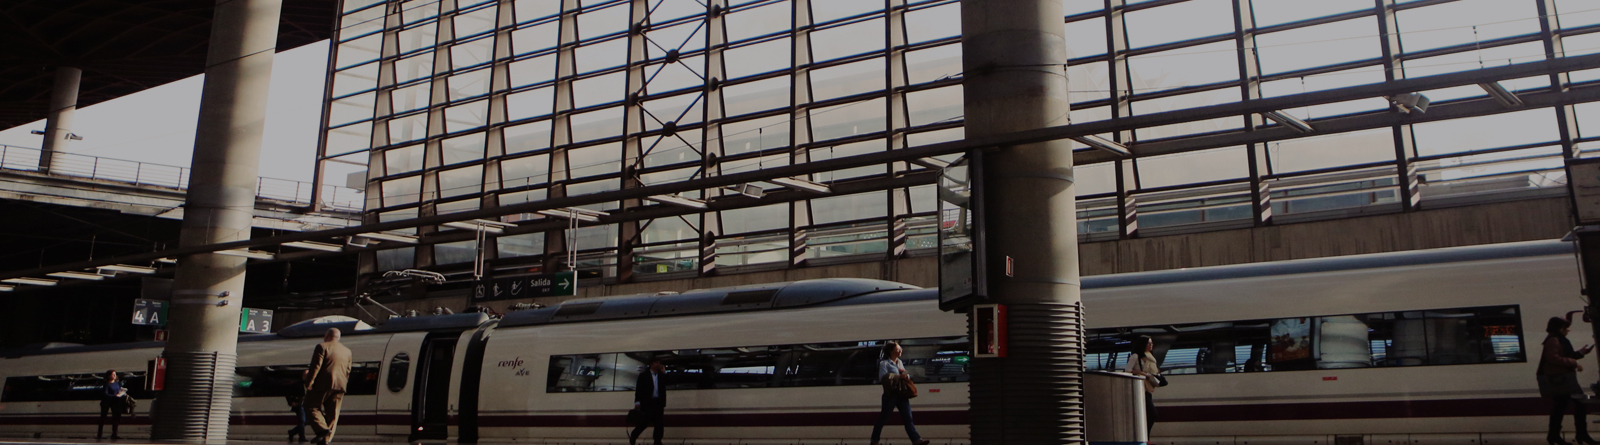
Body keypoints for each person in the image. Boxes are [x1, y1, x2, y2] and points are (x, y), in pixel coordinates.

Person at [1539, 316, 1596, 445]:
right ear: (1560, 328)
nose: (1568, 330)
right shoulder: (1554, 340)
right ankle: (1580, 434)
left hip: (1563, 379)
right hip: (1561, 380)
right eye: (1566, 328)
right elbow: (1553, 358)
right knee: (1580, 403)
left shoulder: (1557, 340)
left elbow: (1565, 356)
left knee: (1560, 407)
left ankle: (1555, 436)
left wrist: (1581, 353)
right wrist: (1574, 363)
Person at [870, 342, 930, 445]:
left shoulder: (900, 362)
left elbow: (905, 376)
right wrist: (898, 376)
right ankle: (874, 441)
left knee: (908, 418)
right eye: (898, 349)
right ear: (891, 351)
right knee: (883, 419)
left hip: (902, 393)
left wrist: (905, 375)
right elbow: (883, 377)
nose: (900, 351)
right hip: (890, 395)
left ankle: (916, 440)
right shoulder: (884, 363)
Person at [304, 328, 352, 445]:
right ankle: (326, 439)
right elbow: (348, 370)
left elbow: (316, 366)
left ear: (326, 336)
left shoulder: (322, 346)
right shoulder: (347, 351)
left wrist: (309, 382)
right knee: (333, 413)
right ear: (338, 337)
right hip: (340, 385)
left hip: (323, 383)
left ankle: (322, 429)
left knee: (310, 406)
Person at [1125, 336, 1162, 436]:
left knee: (1147, 414)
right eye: (1149, 343)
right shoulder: (1135, 356)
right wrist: (1143, 374)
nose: (1151, 345)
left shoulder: (1150, 357)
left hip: (1148, 388)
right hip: (1140, 388)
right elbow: (1127, 370)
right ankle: (1145, 437)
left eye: (1151, 343)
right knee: (1152, 414)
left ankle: (1146, 437)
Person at [630, 358, 667, 445]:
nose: (658, 364)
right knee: (644, 422)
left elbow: (669, 382)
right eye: (656, 362)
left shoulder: (661, 375)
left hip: (658, 403)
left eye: (659, 363)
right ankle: (634, 435)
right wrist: (637, 402)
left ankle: (657, 441)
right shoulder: (644, 375)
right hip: (647, 402)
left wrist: (664, 373)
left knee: (659, 424)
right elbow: (639, 389)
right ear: (651, 364)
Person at [97, 370, 127, 440]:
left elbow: (119, 390)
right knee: (103, 418)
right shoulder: (106, 384)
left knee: (115, 418)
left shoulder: (118, 383)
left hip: (115, 403)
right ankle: (99, 434)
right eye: (113, 374)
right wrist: (115, 396)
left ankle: (114, 434)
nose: (114, 376)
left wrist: (122, 393)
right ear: (108, 376)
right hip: (106, 403)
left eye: (115, 374)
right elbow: (105, 394)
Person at [286, 370, 309, 443]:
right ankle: (301, 437)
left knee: (305, 421)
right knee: (302, 421)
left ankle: (292, 432)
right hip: (299, 405)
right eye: (306, 375)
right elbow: (288, 393)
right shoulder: (297, 384)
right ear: (303, 376)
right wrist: (291, 402)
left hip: (307, 405)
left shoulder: (311, 384)